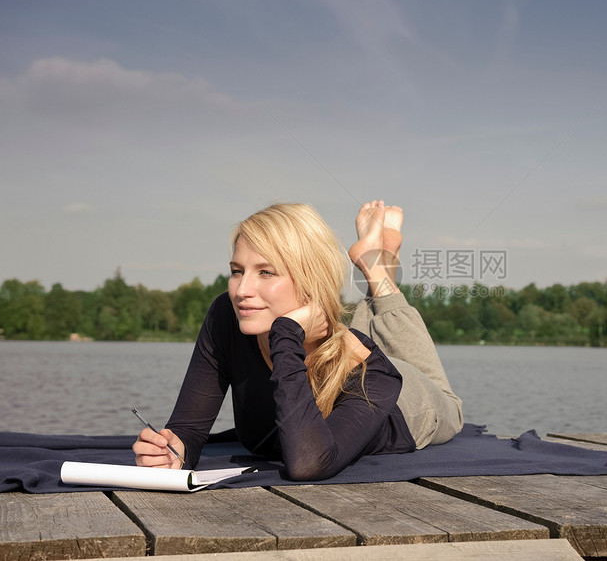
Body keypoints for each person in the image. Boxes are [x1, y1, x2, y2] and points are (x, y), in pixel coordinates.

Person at [132, 200, 463, 481]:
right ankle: (378, 261)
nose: (242, 290)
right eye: (237, 271)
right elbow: (188, 430)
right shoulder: (226, 317)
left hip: (409, 405)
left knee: (451, 404)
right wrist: (174, 454)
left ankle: (377, 271)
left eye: (266, 272)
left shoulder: (368, 371)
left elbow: (308, 463)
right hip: (330, 342)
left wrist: (285, 332)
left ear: (309, 284)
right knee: (346, 336)